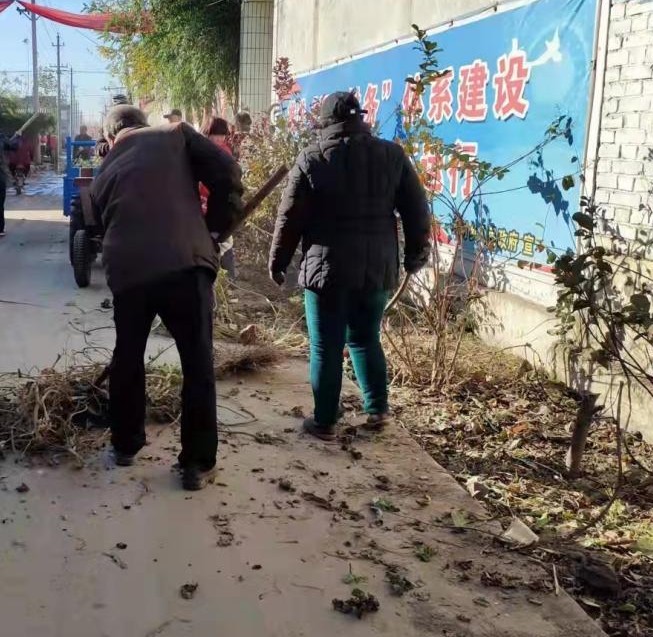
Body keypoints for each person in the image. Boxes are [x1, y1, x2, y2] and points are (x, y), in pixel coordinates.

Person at [90, 105, 244, 491]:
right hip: (184, 264)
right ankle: (197, 464)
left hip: (128, 272)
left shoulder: (103, 171)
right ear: (143, 124)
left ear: (111, 139)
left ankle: (124, 446)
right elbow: (225, 171)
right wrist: (216, 227)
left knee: (128, 355)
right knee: (196, 361)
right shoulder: (175, 134)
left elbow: (97, 224)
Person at [268, 90, 431, 441]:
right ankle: (378, 411)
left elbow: (290, 217)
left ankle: (324, 421)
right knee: (365, 338)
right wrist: (416, 254)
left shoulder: (312, 158)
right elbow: (417, 209)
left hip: (327, 271)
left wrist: (278, 262)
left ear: (325, 122)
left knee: (325, 346)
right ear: (362, 119)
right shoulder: (391, 155)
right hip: (378, 267)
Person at [201, 117, 239, 278]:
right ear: (208, 134)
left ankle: (229, 277)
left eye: (222, 135)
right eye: (215, 135)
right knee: (215, 240)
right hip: (202, 202)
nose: (219, 138)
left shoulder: (225, 153)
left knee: (223, 239)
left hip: (219, 204)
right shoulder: (201, 150)